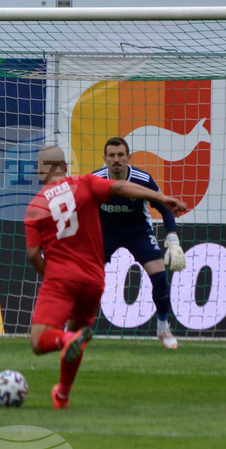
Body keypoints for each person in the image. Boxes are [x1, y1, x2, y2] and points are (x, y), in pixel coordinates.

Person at [25, 145, 188, 409]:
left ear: (40, 170)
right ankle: (62, 395)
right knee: (77, 331)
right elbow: (120, 188)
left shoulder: (35, 207)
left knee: (41, 340)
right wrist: (162, 198)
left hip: (62, 278)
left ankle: (68, 340)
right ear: (66, 168)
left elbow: (33, 254)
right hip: (93, 279)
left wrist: (48, 276)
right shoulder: (86, 182)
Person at [92, 137, 186, 348]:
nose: (116, 160)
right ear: (104, 159)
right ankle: (75, 325)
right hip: (105, 233)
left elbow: (164, 207)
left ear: (128, 158)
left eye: (120, 155)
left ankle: (163, 327)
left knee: (160, 277)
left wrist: (173, 239)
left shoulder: (142, 179)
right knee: (84, 277)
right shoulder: (95, 179)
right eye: (112, 156)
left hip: (138, 232)